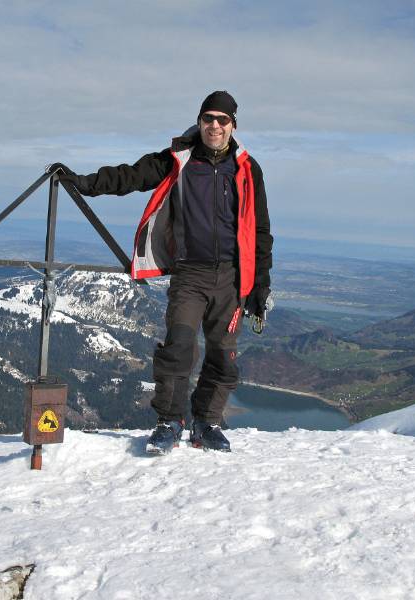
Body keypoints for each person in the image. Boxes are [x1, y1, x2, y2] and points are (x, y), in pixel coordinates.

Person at [60, 91, 273, 454]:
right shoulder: (179, 159)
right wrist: (83, 183)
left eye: (223, 120)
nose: (215, 126)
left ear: (234, 124)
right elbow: (130, 176)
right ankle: (170, 422)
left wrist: (259, 285)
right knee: (178, 348)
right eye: (209, 118)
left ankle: (206, 422)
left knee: (223, 355)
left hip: (232, 279)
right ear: (200, 121)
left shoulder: (248, 169)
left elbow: (261, 231)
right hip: (189, 274)